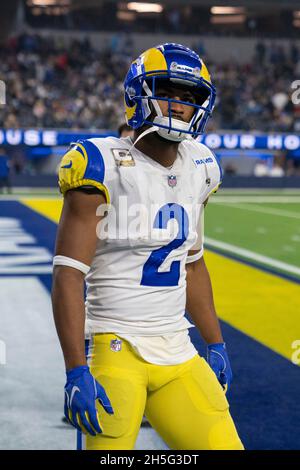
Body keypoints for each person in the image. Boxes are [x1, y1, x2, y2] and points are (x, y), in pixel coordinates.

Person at [52, 43, 244, 450]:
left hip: (178, 349)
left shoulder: (201, 165)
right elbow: (69, 273)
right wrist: (74, 370)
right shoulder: (101, 163)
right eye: (168, 91)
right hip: (115, 346)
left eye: (189, 97)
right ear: (138, 94)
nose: (178, 105)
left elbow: (192, 264)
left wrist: (215, 342)